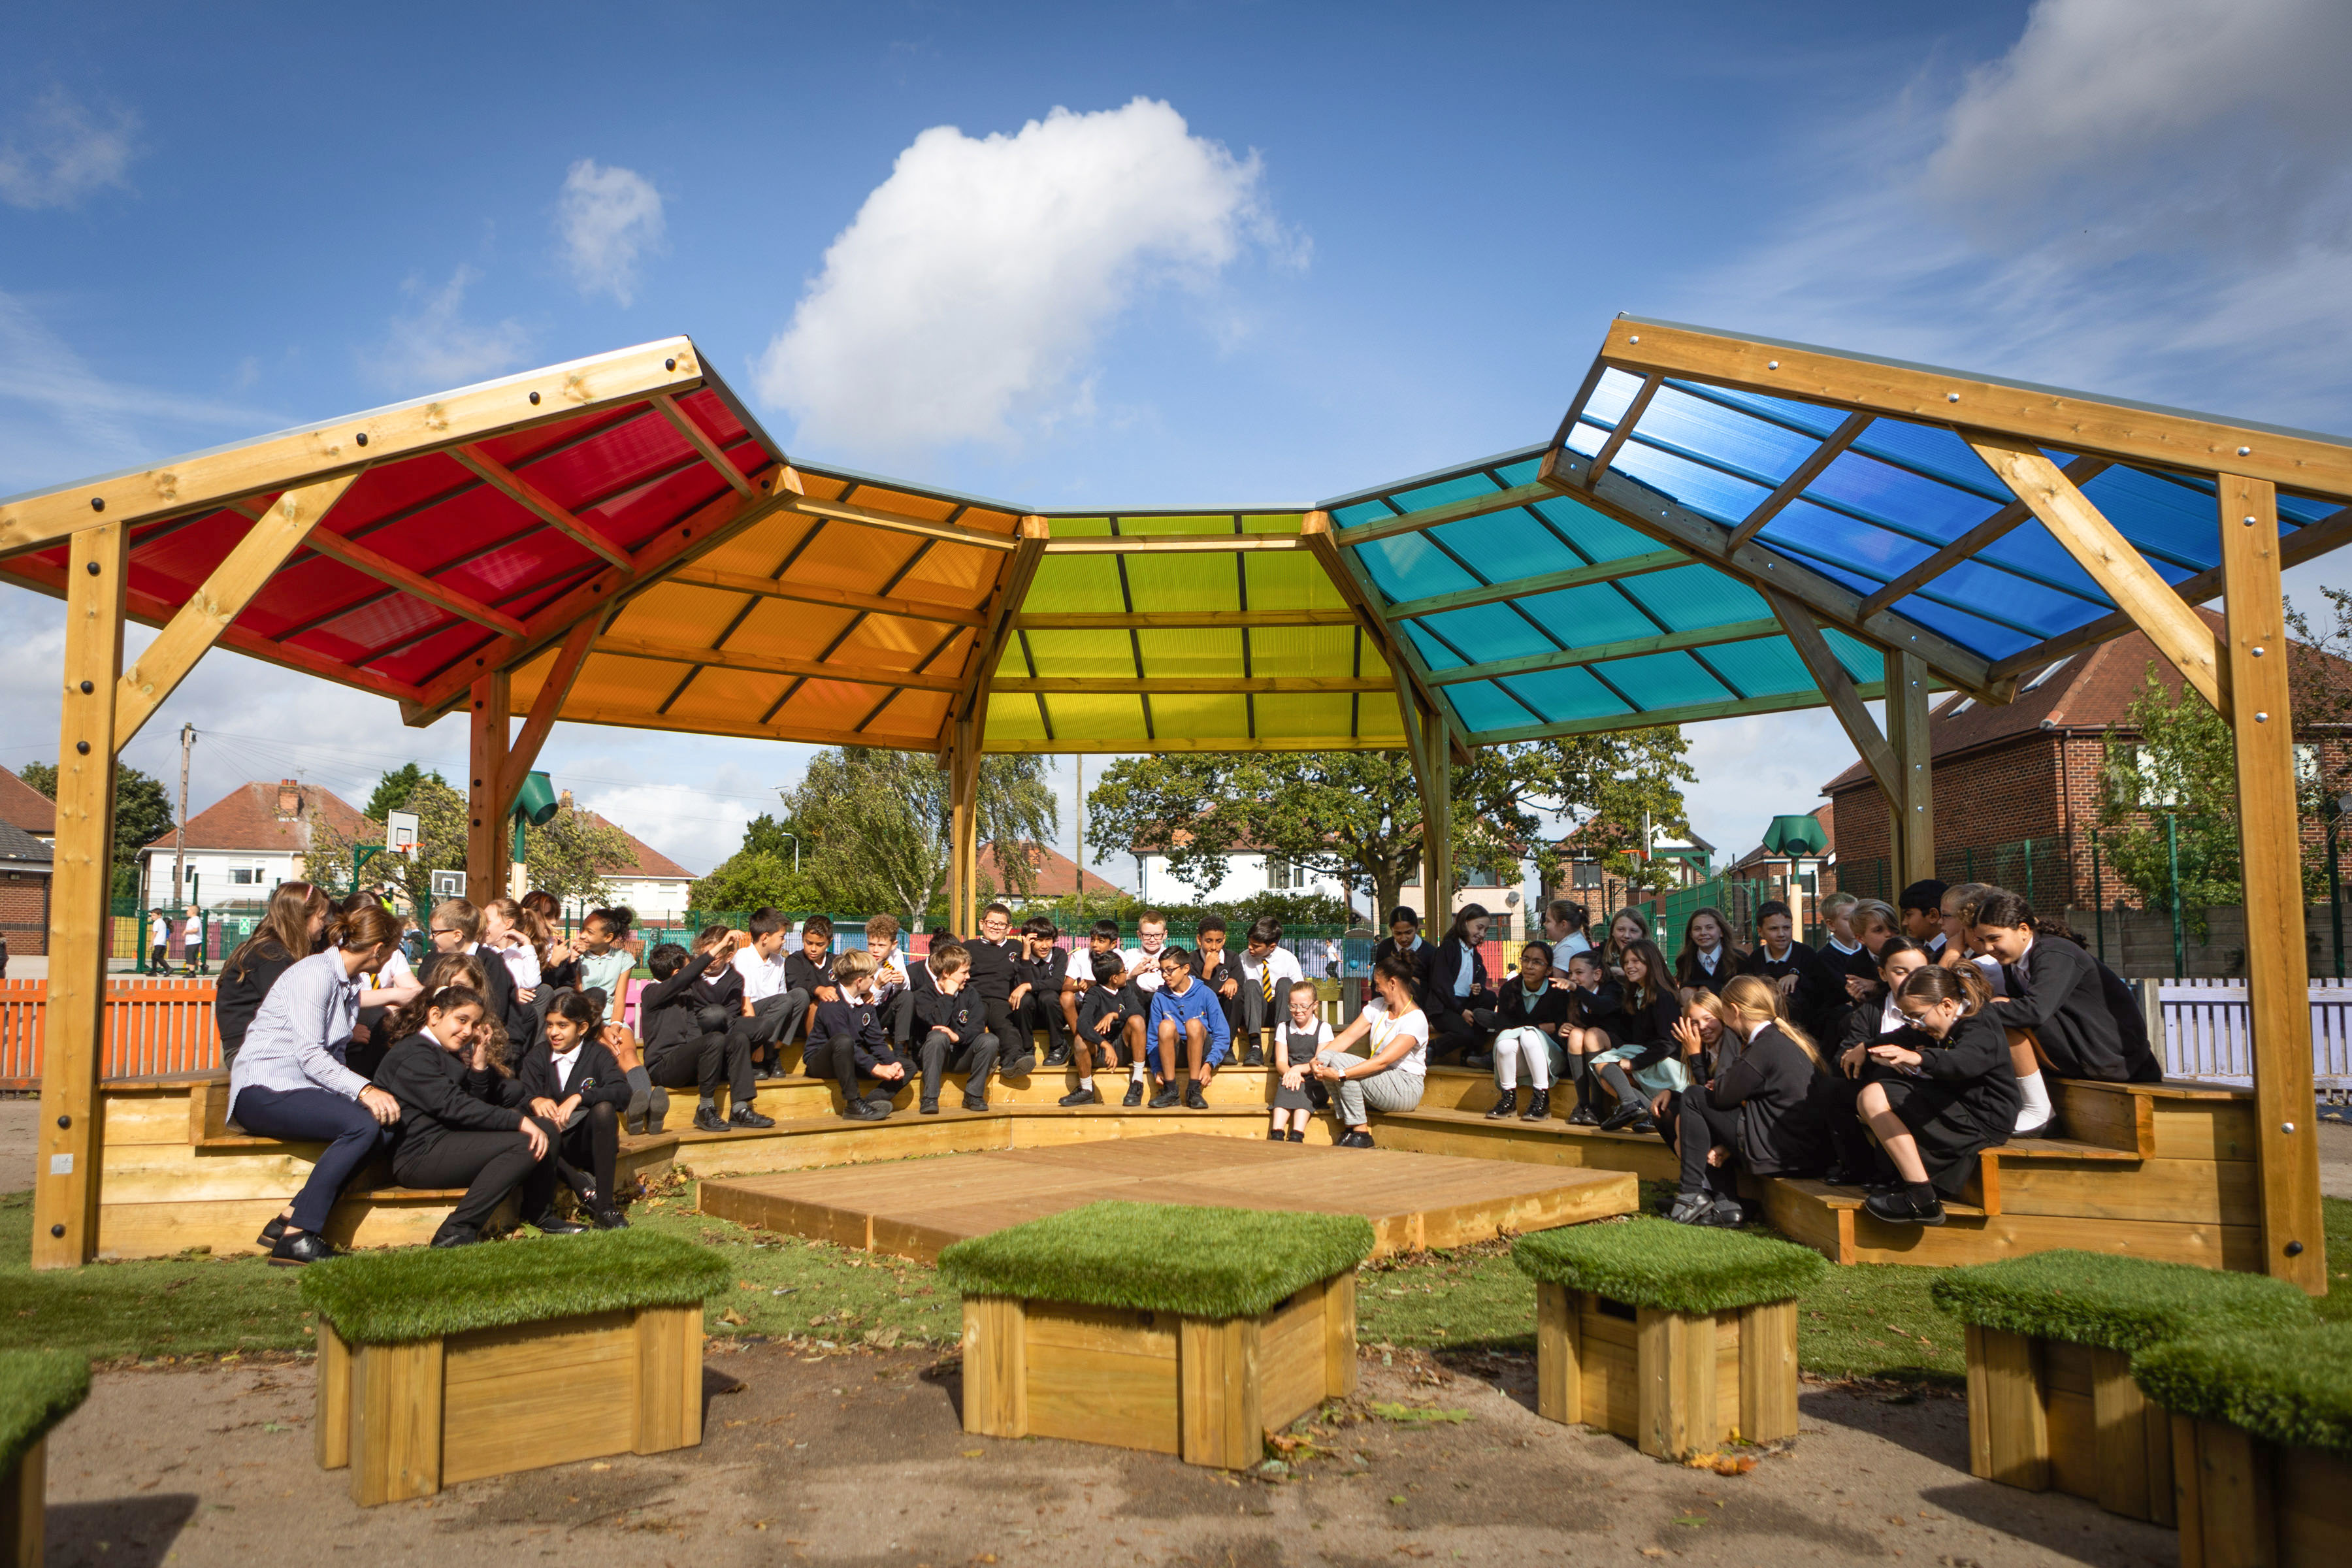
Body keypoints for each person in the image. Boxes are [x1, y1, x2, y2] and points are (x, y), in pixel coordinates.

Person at [226, 902, 410, 1264]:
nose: (394, 956)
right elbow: (311, 1055)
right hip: (263, 1090)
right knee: (361, 1125)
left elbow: (335, 1055)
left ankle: (289, 1220)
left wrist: (363, 1095)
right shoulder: (315, 975)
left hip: (301, 1089)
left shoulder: (348, 982)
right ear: (378, 950)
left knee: (387, 1127)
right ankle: (298, 1237)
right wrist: (365, 1091)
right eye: (394, 949)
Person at [373, 985, 581, 1247]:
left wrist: (479, 1063)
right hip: (419, 1157)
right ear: (435, 1015)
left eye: (473, 1024)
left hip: (449, 1142)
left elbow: (471, 1106)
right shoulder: (413, 1054)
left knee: (546, 1129)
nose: (468, 1031)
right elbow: (455, 1107)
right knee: (525, 1142)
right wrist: (517, 1120)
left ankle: (540, 1215)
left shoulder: (444, 1053)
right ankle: (456, 1230)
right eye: (462, 1020)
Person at [1856, 964, 2020, 1226]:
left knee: (1874, 1095)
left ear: (1946, 1005)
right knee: (1874, 1090)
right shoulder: (1940, 1021)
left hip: (1983, 1120)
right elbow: (1904, 1035)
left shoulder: (1980, 1023)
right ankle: (1903, 1182)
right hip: (1961, 1109)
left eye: (1918, 1016)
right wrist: (1864, 1047)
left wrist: (1919, 1057)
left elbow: (1965, 1061)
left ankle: (1921, 1198)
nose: (1916, 1026)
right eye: (1909, 1018)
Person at [1663, 975, 1833, 1227]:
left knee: (1693, 1097)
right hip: (1798, 1151)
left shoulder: (1764, 1046)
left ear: (1733, 1011)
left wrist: (1709, 1075)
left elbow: (1721, 1097)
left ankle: (1692, 1195)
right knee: (1690, 1101)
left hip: (1784, 1154)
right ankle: (1723, 1204)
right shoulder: (1778, 1039)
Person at [1971, 890, 2136, 1127]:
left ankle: (2039, 1112)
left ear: (2024, 930)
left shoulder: (2055, 952)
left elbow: (2035, 1011)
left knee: (2002, 1009)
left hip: (2110, 1057)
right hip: (2080, 1047)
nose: (1988, 948)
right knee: (1999, 1009)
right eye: (1981, 940)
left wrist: (1970, 1013)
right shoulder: (2014, 961)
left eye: (1995, 938)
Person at [521, 991, 633, 1228]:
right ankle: (579, 1183)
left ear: (581, 1028)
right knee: (523, 1124)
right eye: (550, 1025)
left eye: (563, 1025)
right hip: (548, 1145)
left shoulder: (598, 1054)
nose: (553, 1032)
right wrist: (535, 1101)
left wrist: (580, 1097)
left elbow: (622, 1092)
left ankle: (604, 1208)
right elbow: (521, 1096)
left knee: (604, 1109)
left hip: (585, 1142)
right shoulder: (537, 1057)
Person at [640, 936, 766, 1132]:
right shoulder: (651, 993)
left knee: (737, 1039)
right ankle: (705, 1109)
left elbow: (693, 1033)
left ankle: (740, 1109)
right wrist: (719, 947)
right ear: (677, 974)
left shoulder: (685, 995)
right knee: (714, 1039)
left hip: (688, 1064)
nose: (695, 976)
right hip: (663, 1068)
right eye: (690, 971)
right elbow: (683, 978)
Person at [1311, 952, 1428, 1148]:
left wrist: (1340, 1074)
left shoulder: (1416, 1019)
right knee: (1329, 1058)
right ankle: (1351, 1128)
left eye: (1378, 984)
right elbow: (1347, 1037)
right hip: (1380, 1078)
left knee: (1339, 1065)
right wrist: (1318, 1061)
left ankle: (1361, 1132)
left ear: (1392, 983)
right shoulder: (1377, 1007)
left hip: (1405, 1086)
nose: (1376, 989)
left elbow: (1382, 1061)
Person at [216, 881, 334, 1064]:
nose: (325, 924)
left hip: (269, 1043)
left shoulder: (279, 951)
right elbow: (298, 1010)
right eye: (322, 918)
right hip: (248, 1050)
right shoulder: (270, 955)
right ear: (301, 917)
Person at [1586, 939, 1684, 1133]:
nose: (1629, 966)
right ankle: (1650, 1112)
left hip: (1670, 1066)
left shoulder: (1662, 996)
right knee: (1608, 1078)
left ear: (1651, 963)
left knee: (1602, 1064)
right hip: (1653, 1060)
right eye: (1626, 962)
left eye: (1636, 961)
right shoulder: (1639, 994)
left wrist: (1634, 1063)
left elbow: (1669, 1043)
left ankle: (1633, 1105)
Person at [808, 949, 911, 1121]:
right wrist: (876, 1068)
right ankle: (853, 1101)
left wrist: (892, 1063)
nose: (874, 980)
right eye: (872, 977)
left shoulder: (866, 1002)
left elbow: (876, 1042)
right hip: (823, 1061)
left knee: (907, 1066)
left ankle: (868, 1103)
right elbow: (843, 1043)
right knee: (844, 1041)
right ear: (859, 981)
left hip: (852, 1059)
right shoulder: (832, 1004)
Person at [1488, 939, 1569, 1121]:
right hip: (1520, 1059)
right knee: (1506, 1043)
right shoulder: (1510, 988)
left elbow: (1562, 1029)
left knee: (1530, 1037)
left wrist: (1530, 1029)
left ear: (1549, 970)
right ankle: (1508, 1098)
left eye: (1537, 962)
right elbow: (1503, 1029)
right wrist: (1539, 1027)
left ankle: (1542, 1097)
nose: (1529, 966)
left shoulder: (1558, 992)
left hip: (1551, 1060)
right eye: (1526, 960)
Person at [912, 942, 996, 1115]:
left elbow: (978, 1025)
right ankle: (929, 1098)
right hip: (933, 1058)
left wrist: (958, 1037)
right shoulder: (922, 995)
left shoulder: (970, 993)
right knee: (938, 1036)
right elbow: (938, 1022)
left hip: (960, 1055)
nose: (968, 977)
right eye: (964, 973)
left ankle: (973, 1095)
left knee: (990, 1040)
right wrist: (948, 995)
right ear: (946, 973)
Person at [1147, 947, 1231, 1109]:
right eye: (1162, 971)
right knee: (1165, 1026)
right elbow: (1152, 1040)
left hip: (1202, 1052)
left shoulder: (1206, 993)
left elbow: (1222, 1035)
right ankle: (1171, 1090)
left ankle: (1194, 1090)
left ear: (1186, 968)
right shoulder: (1159, 997)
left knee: (1193, 1024)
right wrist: (1157, 1069)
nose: (1165, 975)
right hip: (1174, 1054)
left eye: (1170, 970)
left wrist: (1209, 1064)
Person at [965, 904, 1037, 1078]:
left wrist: (1026, 955)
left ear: (1009, 928)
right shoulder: (969, 946)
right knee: (974, 1025)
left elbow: (1026, 978)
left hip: (1002, 999)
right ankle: (980, 1061)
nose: (995, 927)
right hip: (975, 998)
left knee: (1005, 1026)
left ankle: (1014, 1061)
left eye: (1001, 924)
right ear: (981, 924)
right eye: (991, 922)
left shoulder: (1016, 947)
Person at [1738, 900, 1831, 1034]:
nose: (1781, 934)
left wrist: (1798, 977)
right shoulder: (1755, 959)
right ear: (1760, 931)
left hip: (1804, 1027)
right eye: (1774, 929)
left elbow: (1820, 993)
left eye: (1786, 928)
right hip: (1766, 1025)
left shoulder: (1806, 954)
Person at [1424, 904, 1499, 1068]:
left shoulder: (1476, 956)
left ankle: (1471, 1052)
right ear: (1465, 923)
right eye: (1479, 928)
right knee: (1467, 1032)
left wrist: (1478, 987)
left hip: (1465, 1004)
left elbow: (1480, 977)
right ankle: (1432, 1048)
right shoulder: (1448, 949)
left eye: (1485, 930)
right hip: (1444, 1007)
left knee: (1490, 997)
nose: (1482, 934)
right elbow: (1440, 985)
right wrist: (1461, 1011)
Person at [1558, 949, 1624, 1126]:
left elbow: (1602, 1006)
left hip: (1618, 1046)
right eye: (1571, 973)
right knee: (1576, 1034)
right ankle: (1583, 1103)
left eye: (1579, 973)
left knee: (1592, 1034)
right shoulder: (1574, 996)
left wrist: (1577, 989)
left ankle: (1598, 1105)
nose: (1573, 977)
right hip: (1590, 1047)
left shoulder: (1612, 988)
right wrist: (1563, 1029)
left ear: (1597, 974)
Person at [1061, 948, 1133, 1107]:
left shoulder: (1127, 989)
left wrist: (1114, 1015)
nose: (1126, 973)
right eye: (1124, 971)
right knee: (1080, 1040)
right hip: (1100, 1049)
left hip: (1122, 1048)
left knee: (1137, 1021)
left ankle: (1138, 1081)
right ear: (1114, 978)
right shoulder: (1094, 993)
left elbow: (1139, 1011)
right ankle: (1086, 1090)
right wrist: (1104, 1044)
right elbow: (1082, 1024)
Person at [728, 909, 796, 1073]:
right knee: (784, 1001)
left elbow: (782, 995)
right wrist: (757, 1041)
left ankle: (772, 1050)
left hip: (773, 1016)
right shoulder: (743, 958)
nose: (784, 941)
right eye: (781, 937)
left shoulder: (779, 961)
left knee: (799, 996)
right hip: (751, 1017)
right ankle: (759, 1053)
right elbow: (745, 1003)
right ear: (765, 937)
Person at [1269, 978, 1331, 1142]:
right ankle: (1277, 1132)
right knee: (1286, 1084)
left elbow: (1319, 1061)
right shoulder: (1284, 1027)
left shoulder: (1323, 1028)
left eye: (1304, 1006)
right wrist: (1290, 1073)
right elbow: (1281, 1062)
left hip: (1315, 1077)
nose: (1298, 1011)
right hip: (1290, 1075)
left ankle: (1297, 1134)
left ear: (1315, 1006)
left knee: (1304, 1087)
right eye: (1293, 1006)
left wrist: (1298, 1070)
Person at [1236, 916, 1304, 1056]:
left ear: (1272, 946)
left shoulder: (1288, 959)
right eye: (1250, 943)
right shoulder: (1244, 958)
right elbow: (1239, 993)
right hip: (1255, 1012)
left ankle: (1280, 1044)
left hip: (1281, 1012)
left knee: (1286, 984)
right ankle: (1255, 1046)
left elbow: (1301, 991)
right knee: (1251, 984)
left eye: (1256, 946)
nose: (1250, 947)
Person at [1059, 920, 1122, 1059]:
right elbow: (1065, 986)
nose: (1095, 945)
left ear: (1113, 944)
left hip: (1108, 1007)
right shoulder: (1081, 956)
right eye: (1092, 940)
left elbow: (1124, 984)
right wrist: (1078, 987)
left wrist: (1095, 984)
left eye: (1101, 941)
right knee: (1066, 997)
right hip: (1085, 1006)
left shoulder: (1119, 958)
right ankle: (1081, 1038)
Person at [1192, 915, 1251, 1064]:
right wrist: (1207, 970)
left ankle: (1227, 1047)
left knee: (1235, 995)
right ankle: (1213, 1046)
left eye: (1218, 941)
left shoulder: (1232, 958)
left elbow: (1240, 989)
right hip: (1202, 1011)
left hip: (1226, 1010)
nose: (1213, 947)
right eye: (1208, 941)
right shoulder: (1191, 960)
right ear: (1199, 940)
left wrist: (1233, 981)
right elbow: (1196, 996)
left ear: (1224, 940)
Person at [1118, 912, 1173, 1068]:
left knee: (1159, 996)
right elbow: (1118, 984)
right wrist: (1133, 974)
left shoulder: (1172, 955)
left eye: (1157, 935)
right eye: (1147, 935)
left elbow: (1180, 984)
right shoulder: (1130, 955)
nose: (1152, 939)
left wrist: (1163, 967)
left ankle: (1154, 1050)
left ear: (1165, 935)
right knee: (1131, 986)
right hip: (1137, 1005)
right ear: (1139, 935)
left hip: (1163, 1002)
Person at [1019, 915, 1074, 1068]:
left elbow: (1057, 983)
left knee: (1048, 996)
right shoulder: (1020, 957)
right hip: (1029, 1016)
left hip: (1053, 1014)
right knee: (1025, 999)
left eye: (1048, 939)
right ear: (1027, 940)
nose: (1044, 945)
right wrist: (1025, 956)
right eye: (1038, 940)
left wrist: (1028, 986)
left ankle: (1058, 1046)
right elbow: (1022, 984)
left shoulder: (1059, 954)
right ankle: (1027, 1048)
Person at [1370, 906, 1435, 1002]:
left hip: (1420, 1007)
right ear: (1391, 929)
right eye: (1398, 933)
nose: (1404, 938)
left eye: (1408, 933)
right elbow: (1376, 980)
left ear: (1416, 928)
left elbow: (1435, 987)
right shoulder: (1385, 947)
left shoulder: (1430, 952)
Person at [868, 914, 914, 1049]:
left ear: (893, 945)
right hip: (867, 1014)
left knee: (907, 996)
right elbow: (861, 1002)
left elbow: (906, 988)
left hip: (884, 1011)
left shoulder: (896, 955)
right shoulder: (863, 962)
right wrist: (877, 986)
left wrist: (901, 981)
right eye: (871, 944)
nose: (875, 950)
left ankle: (900, 1048)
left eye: (881, 945)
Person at [1673, 908, 1740, 994]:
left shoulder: (1739, 959)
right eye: (1697, 929)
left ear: (1722, 932)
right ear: (1691, 934)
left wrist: (1707, 988)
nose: (1703, 933)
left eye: (1709, 928)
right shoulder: (1684, 961)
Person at [1899, 879, 1950, 961]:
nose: (1904, 923)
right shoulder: (1914, 950)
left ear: (1933, 916)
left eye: (1909, 915)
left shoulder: (1954, 953)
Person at [1541, 900, 1592, 968]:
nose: (1544, 924)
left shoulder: (1568, 949)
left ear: (1563, 925)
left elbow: (1555, 978)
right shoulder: (1573, 941)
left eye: (1548, 921)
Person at [183, 909, 207, 976]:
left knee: (190, 957)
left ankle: (192, 973)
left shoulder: (195, 920)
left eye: (188, 910)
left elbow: (196, 929)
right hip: (190, 941)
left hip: (194, 941)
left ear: (193, 912)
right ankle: (203, 966)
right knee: (191, 956)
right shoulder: (191, 920)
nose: (187, 912)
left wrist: (186, 931)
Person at [148, 909, 170, 975]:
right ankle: (153, 971)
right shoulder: (163, 922)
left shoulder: (157, 922)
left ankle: (168, 968)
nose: (152, 917)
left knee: (157, 957)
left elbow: (154, 933)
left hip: (158, 942)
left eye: (154, 915)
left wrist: (151, 944)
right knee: (154, 957)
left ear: (159, 915)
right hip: (162, 943)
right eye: (152, 915)